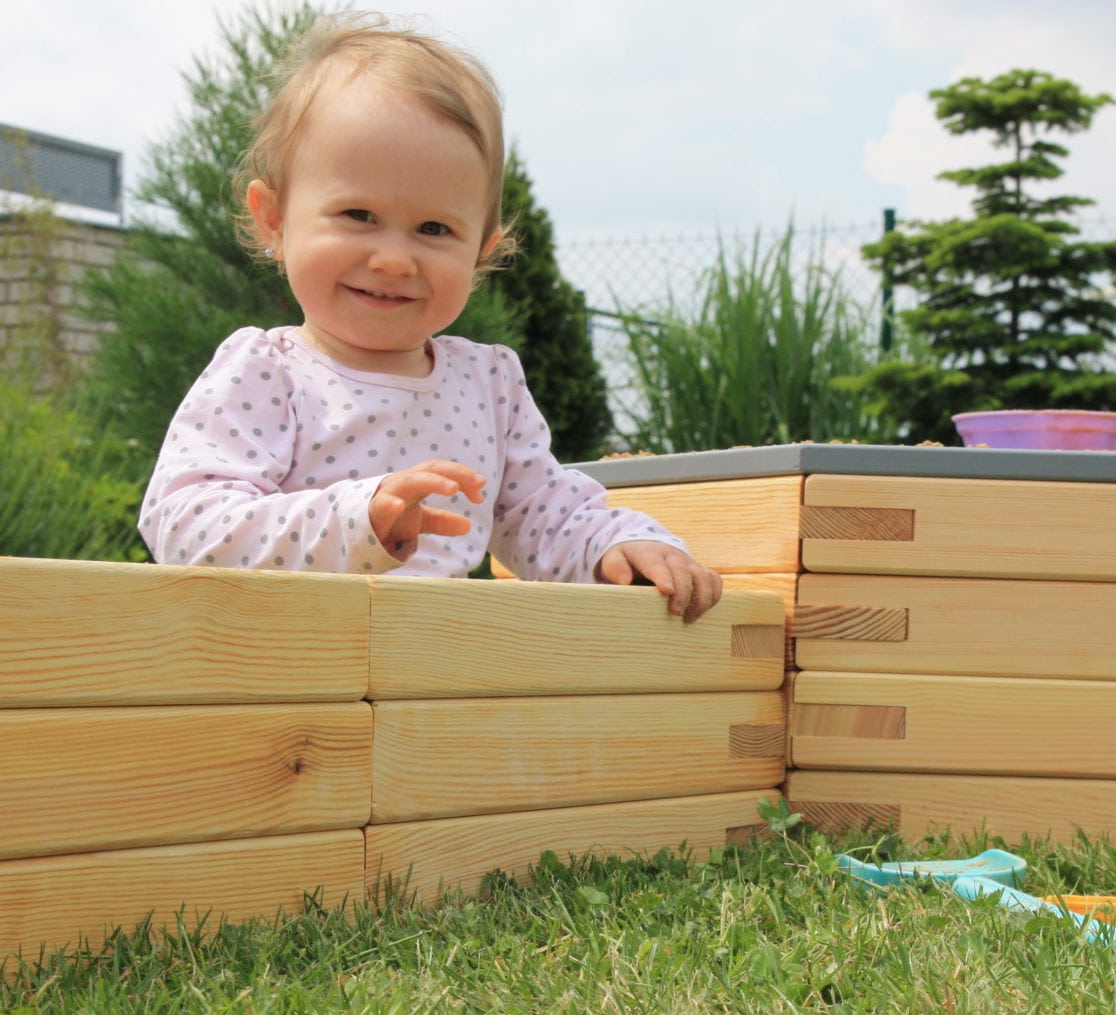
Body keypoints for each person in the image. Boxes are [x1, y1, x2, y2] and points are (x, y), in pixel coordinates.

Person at [137, 13, 723, 622]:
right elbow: (186, 523)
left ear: (481, 252)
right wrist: (358, 517)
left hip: (428, 678)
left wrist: (617, 544)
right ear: (275, 219)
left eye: (434, 229)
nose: (393, 260)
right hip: (283, 673)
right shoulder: (266, 371)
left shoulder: (488, 385)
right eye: (358, 214)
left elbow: (543, 513)